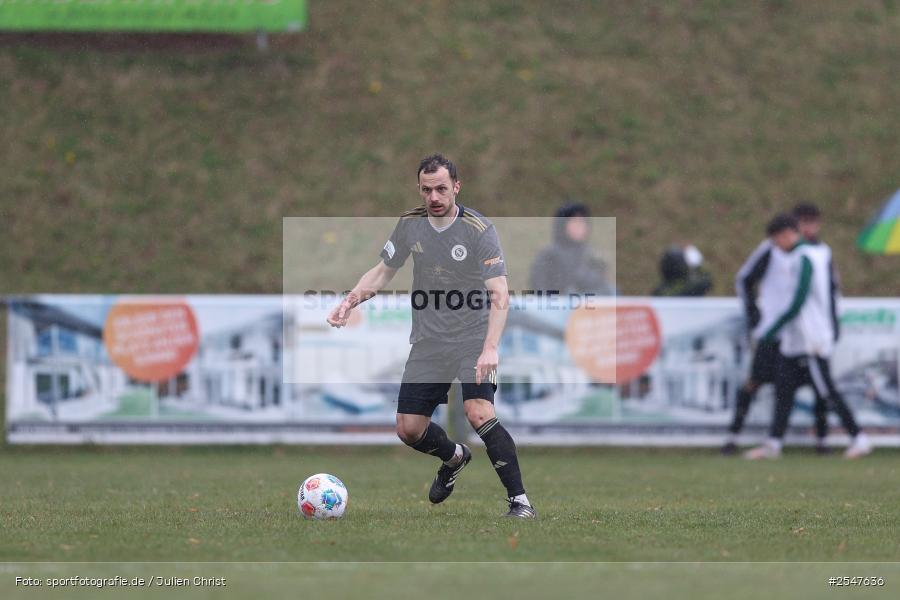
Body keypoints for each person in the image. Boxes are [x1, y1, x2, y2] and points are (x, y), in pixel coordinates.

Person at [326, 154, 536, 518]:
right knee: (408, 429)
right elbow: (382, 271)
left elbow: (499, 292)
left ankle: (520, 502)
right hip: (429, 341)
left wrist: (490, 348)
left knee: (478, 411)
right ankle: (454, 457)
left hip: (472, 338)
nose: (434, 197)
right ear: (419, 190)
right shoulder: (410, 225)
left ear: (457, 186)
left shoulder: (478, 229)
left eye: (441, 188)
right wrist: (350, 300)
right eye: (427, 190)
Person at [744, 214, 871, 460]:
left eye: (775, 241)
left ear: (785, 234)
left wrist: (772, 330)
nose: (776, 247)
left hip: (810, 337)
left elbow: (798, 300)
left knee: (826, 391)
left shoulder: (806, 257)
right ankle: (773, 443)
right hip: (795, 339)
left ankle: (859, 437)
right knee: (784, 389)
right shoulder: (800, 256)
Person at [723, 207, 829, 455]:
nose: (807, 228)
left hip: (801, 334)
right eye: (803, 223)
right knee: (754, 383)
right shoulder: (772, 249)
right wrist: (755, 317)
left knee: (809, 387)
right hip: (773, 332)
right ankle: (733, 436)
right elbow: (744, 279)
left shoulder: (816, 253)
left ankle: (817, 441)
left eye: (812, 222)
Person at [529, 202, 616, 296]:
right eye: (574, 221)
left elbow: (603, 289)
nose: (580, 226)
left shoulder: (593, 255)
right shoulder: (549, 255)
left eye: (583, 222)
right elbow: (540, 289)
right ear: (562, 224)